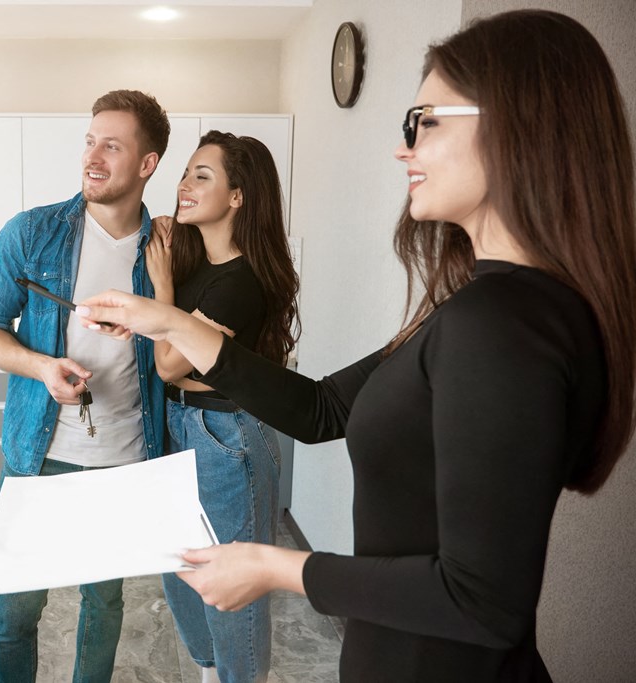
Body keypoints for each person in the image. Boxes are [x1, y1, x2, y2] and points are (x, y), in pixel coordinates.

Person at [75, 10, 636, 682]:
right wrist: (163, 320)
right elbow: (320, 411)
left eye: (426, 120)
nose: (406, 148)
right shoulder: (482, 309)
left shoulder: (502, 323)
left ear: (518, 124)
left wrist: (276, 566)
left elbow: (483, 603)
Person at [0, 89, 170, 682]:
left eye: (112, 144)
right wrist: (42, 368)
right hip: (40, 457)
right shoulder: (33, 233)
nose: (93, 156)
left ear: (146, 164)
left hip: (125, 459)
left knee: (104, 605)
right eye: (89, 141)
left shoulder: (168, 249)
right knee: (17, 609)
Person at [145, 130, 298, 683]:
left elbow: (169, 364)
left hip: (225, 436)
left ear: (237, 196)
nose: (184, 185)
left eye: (201, 176)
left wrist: (161, 286)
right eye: (185, 173)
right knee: (182, 573)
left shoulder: (240, 282)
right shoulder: (197, 265)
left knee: (234, 593)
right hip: (179, 426)